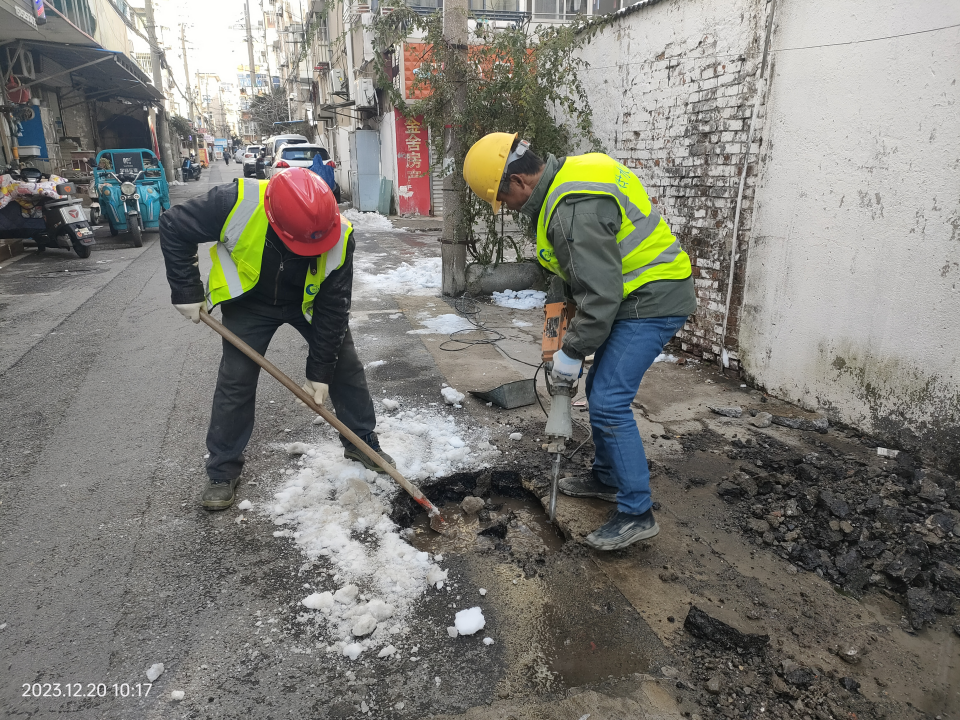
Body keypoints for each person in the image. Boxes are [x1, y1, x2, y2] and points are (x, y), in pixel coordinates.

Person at [463, 133, 697, 551]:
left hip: (652, 298)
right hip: (636, 293)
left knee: (607, 400)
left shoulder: (571, 209)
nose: (508, 208)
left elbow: (600, 296)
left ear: (518, 181)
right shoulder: (569, 178)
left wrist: (571, 352)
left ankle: (637, 514)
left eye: (504, 199)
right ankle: (607, 478)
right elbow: (572, 272)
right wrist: (559, 323)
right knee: (602, 387)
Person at [159, 167, 394, 510]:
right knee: (236, 379)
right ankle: (222, 470)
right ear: (275, 220)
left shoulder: (340, 235)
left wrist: (320, 371)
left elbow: (334, 309)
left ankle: (362, 441)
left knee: (345, 365)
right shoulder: (233, 203)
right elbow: (173, 225)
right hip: (250, 301)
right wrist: (185, 290)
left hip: (308, 301)